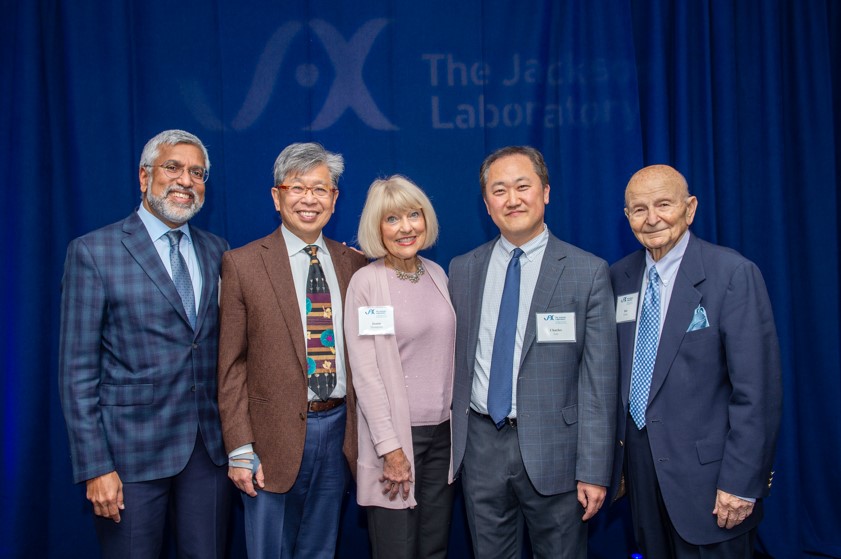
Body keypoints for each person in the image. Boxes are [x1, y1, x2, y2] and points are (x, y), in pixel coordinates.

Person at [58, 129, 231, 558]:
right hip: (128, 456)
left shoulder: (218, 251)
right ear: (144, 177)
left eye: (197, 172)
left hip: (207, 452)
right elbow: (77, 373)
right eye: (173, 167)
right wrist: (96, 466)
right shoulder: (94, 252)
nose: (185, 181)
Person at [448, 146, 618, 559]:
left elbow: (599, 383)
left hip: (557, 453)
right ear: (487, 204)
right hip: (482, 448)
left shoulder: (587, 271)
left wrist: (595, 470)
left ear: (545, 192)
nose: (512, 199)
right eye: (499, 190)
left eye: (523, 187)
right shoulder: (462, 269)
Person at [609, 164, 782, 558]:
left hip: (712, 485)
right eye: (638, 209)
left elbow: (757, 394)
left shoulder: (733, 274)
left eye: (663, 204)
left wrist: (741, 483)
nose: (652, 219)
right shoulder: (619, 278)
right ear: (626, 217)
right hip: (641, 478)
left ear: (690, 208)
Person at [217, 142, 368, 558]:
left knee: (321, 549)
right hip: (269, 442)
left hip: (338, 433)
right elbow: (230, 366)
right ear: (276, 196)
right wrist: (240, 449)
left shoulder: (353, 264)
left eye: (321, 189)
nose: (309, 199)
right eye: (297, 187)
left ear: (335, 199)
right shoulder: (242, 264)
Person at [345, 176, 456, 558]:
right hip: (395, 440)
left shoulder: (438, 274)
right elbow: (366, 374)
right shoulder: (366, 283)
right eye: (392, 219)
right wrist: (390, 449)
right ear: (377, 228)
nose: (406, 227)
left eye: (414, 215)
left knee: (434, 548)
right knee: (397, 550)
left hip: (444, 436)